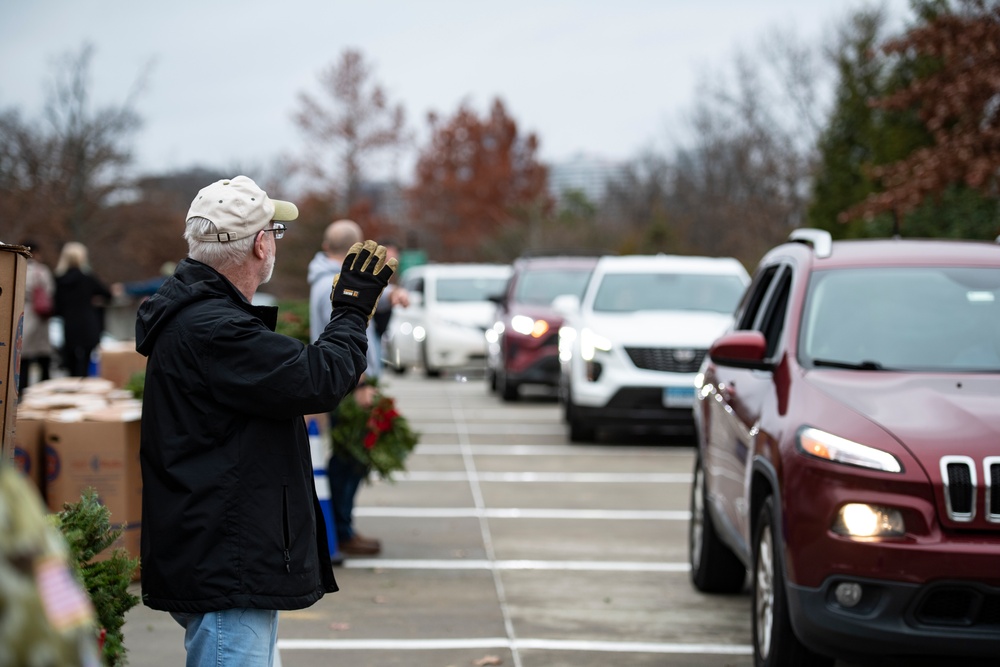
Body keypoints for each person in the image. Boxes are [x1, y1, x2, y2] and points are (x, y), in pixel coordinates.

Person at [134, 175, 396, 666]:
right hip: (226, 560)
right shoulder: (215, 328)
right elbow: (318, 378)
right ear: (259, 245)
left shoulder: (199, 315)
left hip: (219, 551)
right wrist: (352, 311)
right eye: (273, 232)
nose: (274, 243)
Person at [308, 221, 408, 557]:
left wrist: (392, 294)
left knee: (354, 458)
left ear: (326, 245)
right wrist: (361, 385)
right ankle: (341, 529)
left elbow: (369, 305)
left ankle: (343, 527)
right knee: (349, 458)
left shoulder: (334, 281)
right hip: (348, 385)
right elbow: (341, 334)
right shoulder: (330, 287)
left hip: (350, 382)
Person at [53, 242, 112, 377]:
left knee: (71, 363)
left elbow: (56, 306)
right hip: (87, 323)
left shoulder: (58, 280)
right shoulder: (88, 278)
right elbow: (108, 294)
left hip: (69, 324)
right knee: (86, 361)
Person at [18, 239, 56, 394]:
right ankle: (44, 390)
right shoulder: (43, 271)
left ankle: (22, 390)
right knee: (43, 356)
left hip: (25, 314)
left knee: (24, 356)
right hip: (41, 316)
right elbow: (50, 291)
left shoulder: (20, 268)